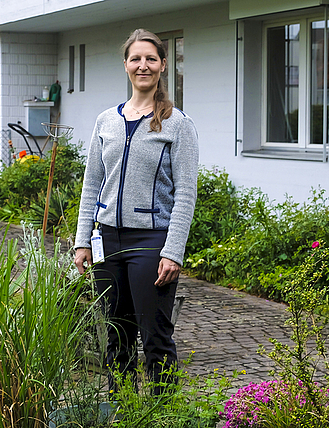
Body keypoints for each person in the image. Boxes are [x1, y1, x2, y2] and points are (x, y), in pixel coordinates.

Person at [74, 28, 199, 395]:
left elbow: (186, 192)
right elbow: (91, 186)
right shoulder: (105, 121)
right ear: (126, 65)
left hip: (151, 241)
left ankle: (164, 414)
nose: (142, 65)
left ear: (162, 65)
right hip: (107, 241)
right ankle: (124, 410)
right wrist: (84, 240)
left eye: (150, 59)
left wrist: (173, 250)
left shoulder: (178, 124)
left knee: (155, 337)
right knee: (116, 335)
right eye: (135, 59)